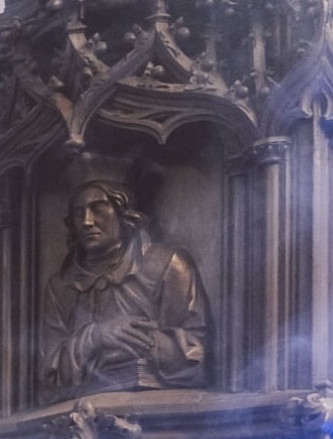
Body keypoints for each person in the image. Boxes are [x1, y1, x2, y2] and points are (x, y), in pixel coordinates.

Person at [40, 164, 210, 397]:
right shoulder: (60, 286)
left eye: (98, 209)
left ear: (124, 213)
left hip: (162, 413)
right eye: (79, 213)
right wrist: (97, 336)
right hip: (78, 413)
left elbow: (198, 356)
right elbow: (48, 375)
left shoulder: (169, 264)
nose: (87, 221)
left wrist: (143, 338)